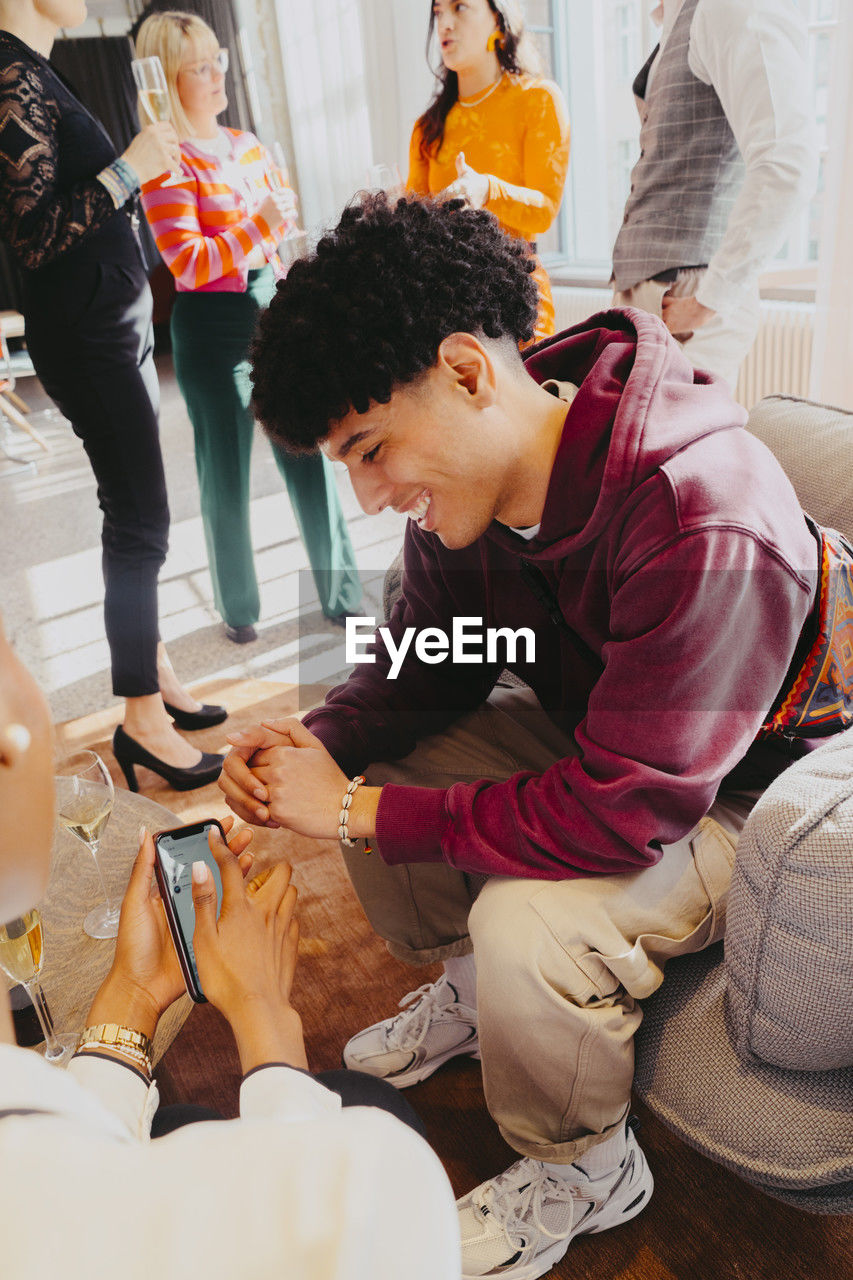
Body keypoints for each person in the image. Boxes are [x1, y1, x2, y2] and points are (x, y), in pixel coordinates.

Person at [221, 193, 851, 1280]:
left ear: (468, 372)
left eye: (369, 449)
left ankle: (586, 1165)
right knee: (373, 758)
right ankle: (472, 994)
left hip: (746, 782)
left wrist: (357, 812)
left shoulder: (701, 507)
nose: (368, 496)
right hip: (612, 734)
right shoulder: (475, 494)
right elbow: (425, 660)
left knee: (527, 920)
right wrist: (316, 746)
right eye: (346, 465)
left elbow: (627, 809)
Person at [0, 611, 460, 1278]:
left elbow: (48, 1153)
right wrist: (263, 1013)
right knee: (367, 1102)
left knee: (179, 1114)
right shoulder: (376, 1184)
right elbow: (342, 1203)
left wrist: (129, 1000)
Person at [0, 0, 225, 793]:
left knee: (133, 510)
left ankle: (154, 674)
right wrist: (131, 166)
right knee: (141, 521)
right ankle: (140, 719)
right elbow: (32, 235)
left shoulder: (35, 69)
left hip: (110, 326)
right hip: (88, 338)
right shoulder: (10, 73)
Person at [136, 10, 362, 645]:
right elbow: (190, 263)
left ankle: (342, 591)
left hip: (272, 312)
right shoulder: (165, 162)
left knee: (309, 454)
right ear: (167, 81)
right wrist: (261, 225)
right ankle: (240, 609)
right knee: (224, 472)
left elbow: (272, 238)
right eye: (199, 66)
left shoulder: (248, 145)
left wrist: (287, 265)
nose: (216, 73)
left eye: (218, 59)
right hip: (208, 328)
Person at [611, 0, 818, 390]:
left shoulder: (731, 6)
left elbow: (785, 160)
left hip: (688, 292)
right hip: (650, 290)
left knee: (679, 449)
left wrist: (709, 300)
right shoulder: (677, 17)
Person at [408, 0, 569, 345]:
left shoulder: (538, 100)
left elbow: (543, 213)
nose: (445, 23)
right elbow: (416, 233)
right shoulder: (427, 128)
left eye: (460, 7)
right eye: (438, 12)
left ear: (499, 21)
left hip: (519, 298)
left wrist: (488, 190)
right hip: (445, 308)